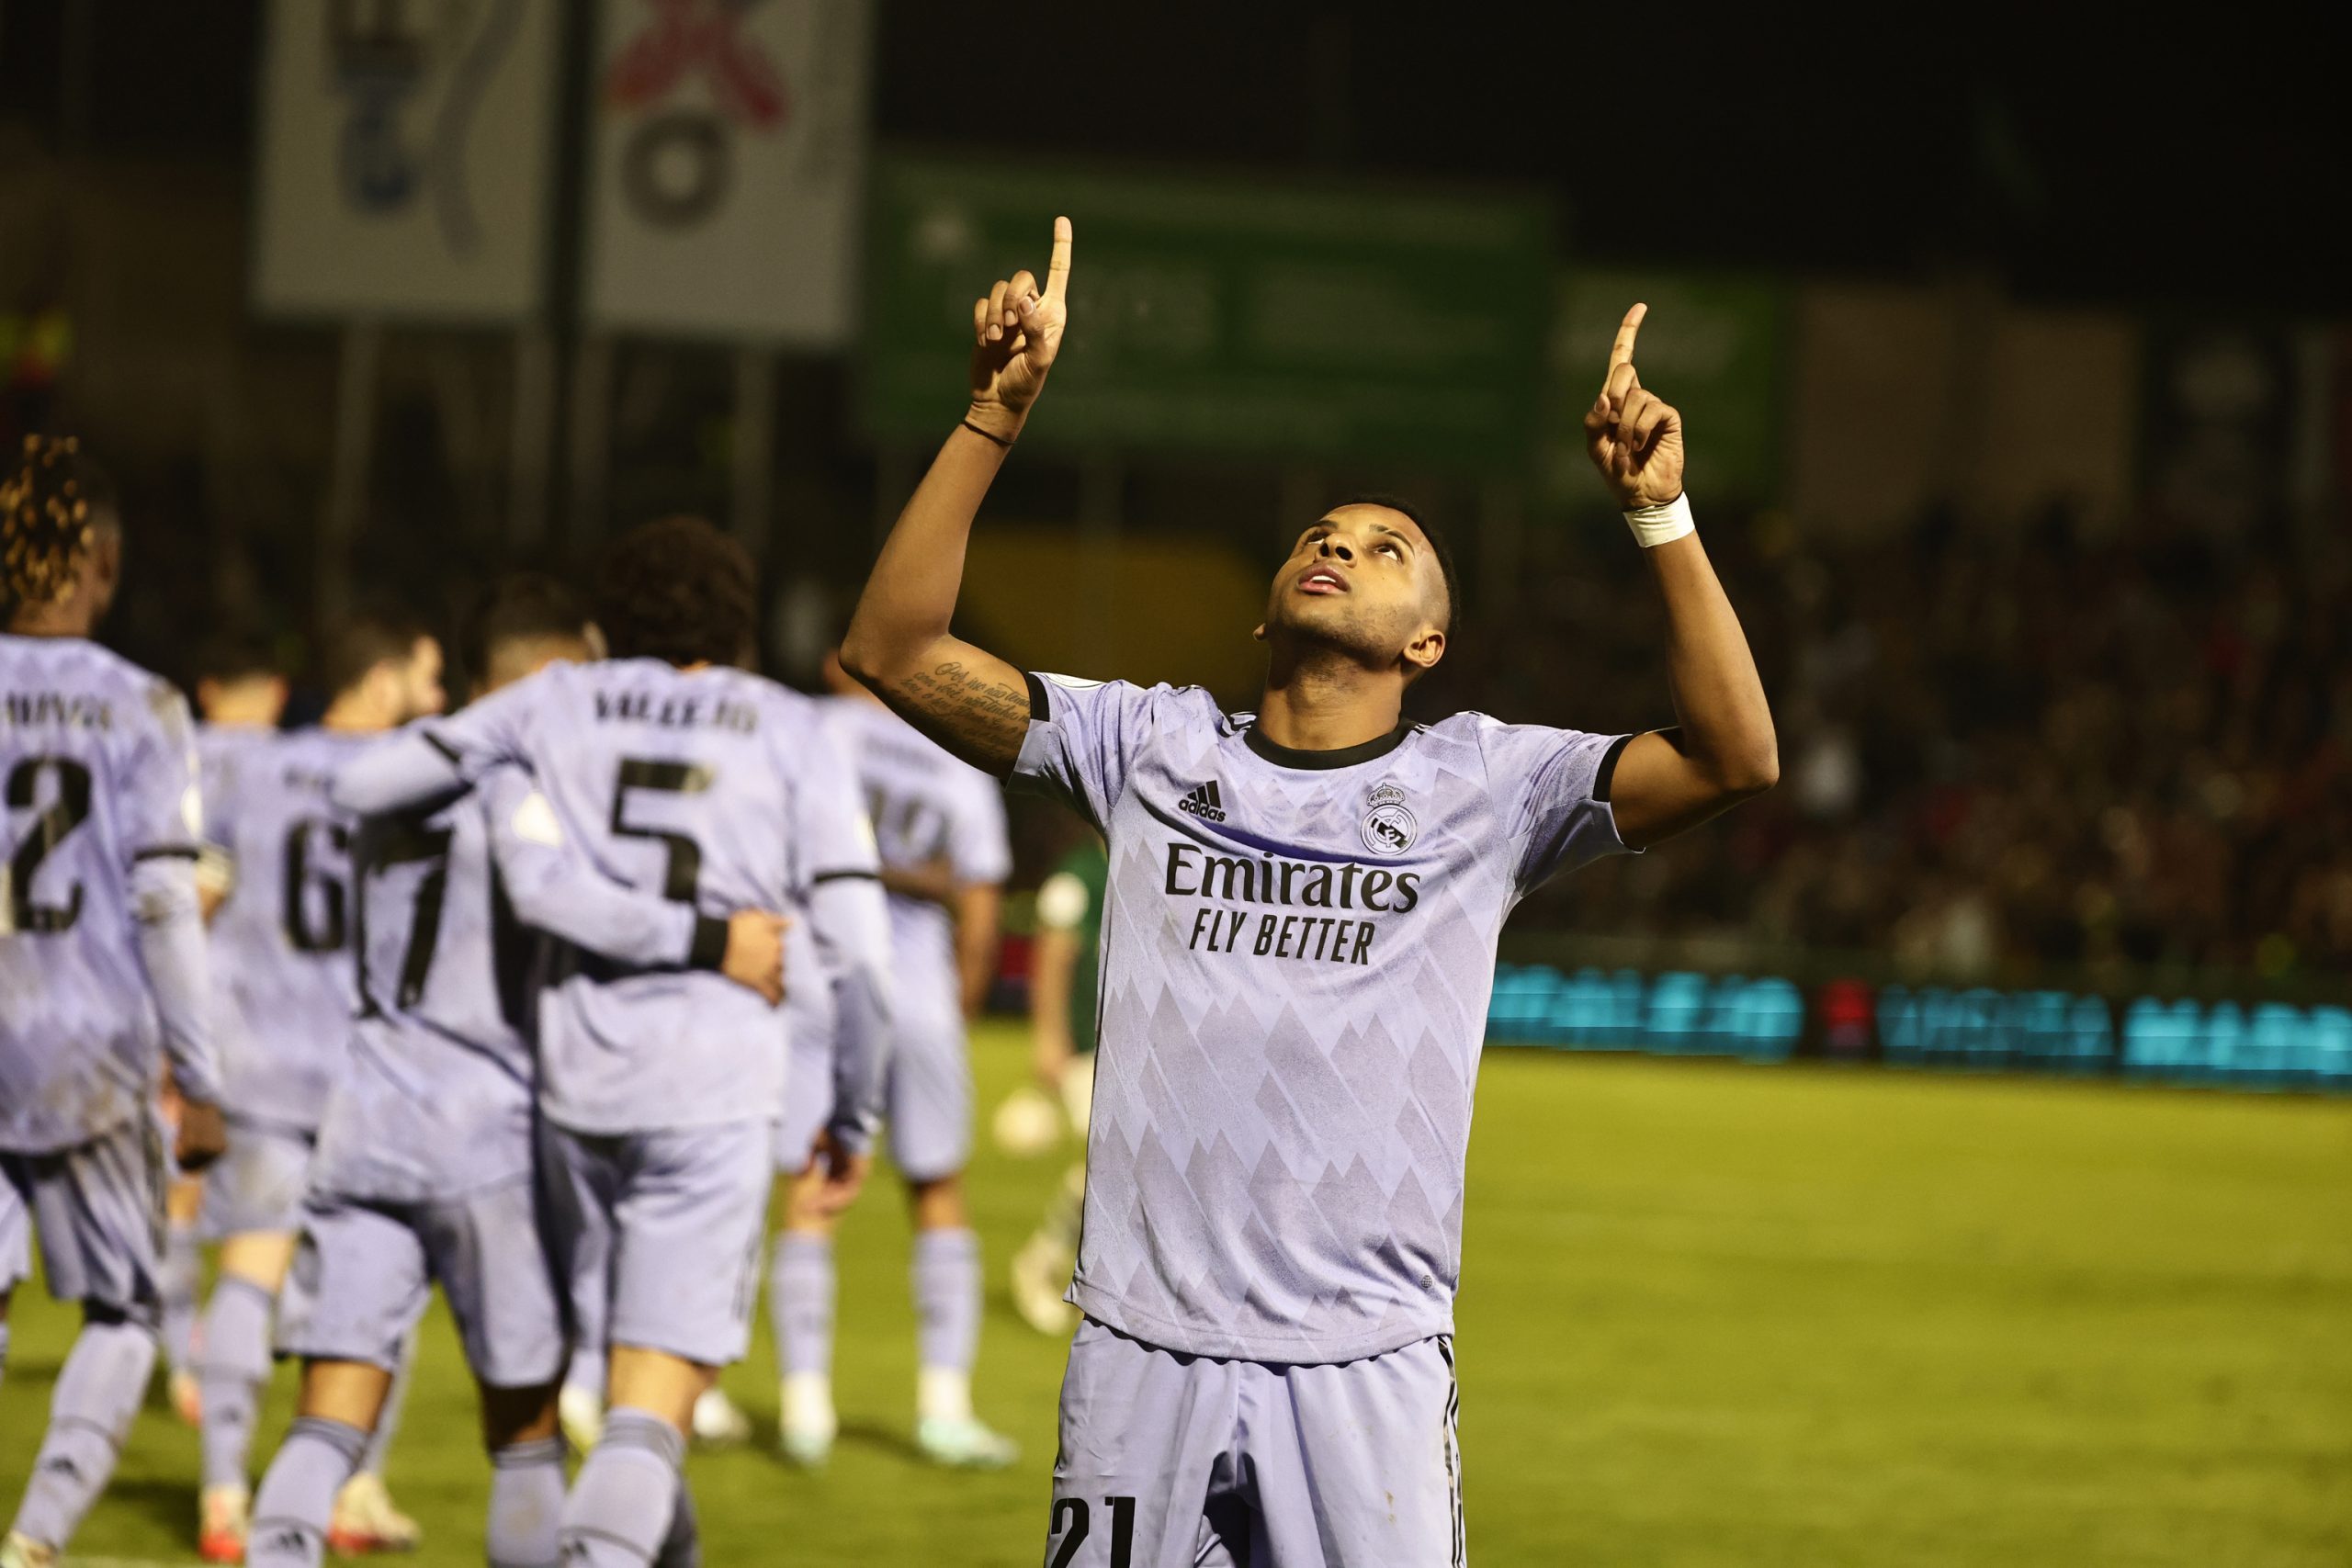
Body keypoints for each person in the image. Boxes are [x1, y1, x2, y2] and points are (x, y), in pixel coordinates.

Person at [840, 220, 1777, 1565]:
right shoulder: (1150, 747)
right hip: (1139, 1354)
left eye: (1386, 547)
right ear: (1267, 609)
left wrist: (1659, 517)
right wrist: (996, 412)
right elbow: (892, 646)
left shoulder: (1488, 787)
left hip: (1365, 1366)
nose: (1339, 546)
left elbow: (1739, 754)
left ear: (1428, 640)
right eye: (1317, 536)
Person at [331, 516, 894, 1568]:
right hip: (711, 1100)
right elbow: (861, 955)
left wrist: (490, 768)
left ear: (608, 624)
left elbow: (359, 786)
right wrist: (854, 1112)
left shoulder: (554, 701)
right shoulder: (791, 728)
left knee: (627, 1412)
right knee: (648, 1412)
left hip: (574, 1095)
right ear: (737, 626)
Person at [239, 574, 793, 1568]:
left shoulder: (404, 769)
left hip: (363, 1116)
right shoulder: (526, 783)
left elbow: (351, 785)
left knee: (326, 1421)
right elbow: (563, 900)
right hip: (487, 1128)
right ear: (548, 678)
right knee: (527, 1435)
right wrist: (715, 942)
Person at [0, 436, 229, 1568]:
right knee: (127, 1315)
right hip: (87, 1043)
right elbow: (161, 904)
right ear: (102, 560)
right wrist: (204, 1074)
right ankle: (33, 1540)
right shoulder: (142, 704)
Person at [192, 610, 445, 1562]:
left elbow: (201, 906)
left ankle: (223, 1495)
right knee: (380, 1286)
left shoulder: (249, 767)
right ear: (379, 683)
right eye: (420, 678)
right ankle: (350, 1488)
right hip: (371, 1071)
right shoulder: (418, 773)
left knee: (248, 1279)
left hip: (258, 1062)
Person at [769, 647, 1017, 1467]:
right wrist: (961, 1003)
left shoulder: (815, 728)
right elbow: (980, 905)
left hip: (817, 974)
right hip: (917, 989)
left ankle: (806, 1409)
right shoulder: (960, 762)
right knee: (937, 1187)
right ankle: (945, 1410)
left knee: (811, 1183)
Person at [153, 631, 291, 1427]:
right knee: (272, 1222)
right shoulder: (288, 763)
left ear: (204, 688)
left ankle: (179, 1357)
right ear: (275, 688)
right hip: (280, 1029)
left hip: (190, 1008)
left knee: (183, 1190)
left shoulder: (182, 758)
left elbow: (184, 900)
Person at [1009, 826, 1107, 1337]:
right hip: (1084, 1046)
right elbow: (1053, 952)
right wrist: (1048, 1035)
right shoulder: (1079, 873)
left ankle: (1056, 1264)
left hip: (1132, 1049)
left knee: (1116, 1169)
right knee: (1108, 1165)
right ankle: (1041, 1263)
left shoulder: (1146, 861)